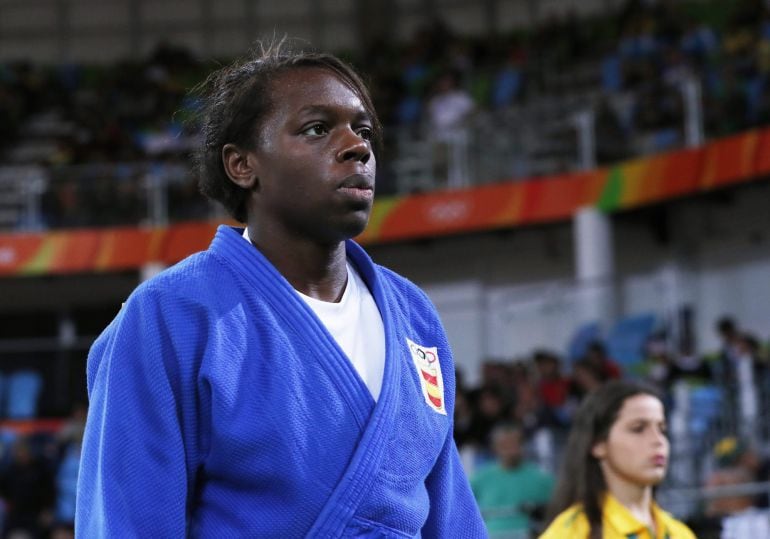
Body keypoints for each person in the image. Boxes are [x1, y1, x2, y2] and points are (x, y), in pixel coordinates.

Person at [76, 40, 486, 537]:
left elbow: (452, 517)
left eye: (363, 130)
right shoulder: (172, 316)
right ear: (242, 165)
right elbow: (128, 522)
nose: (358, 146)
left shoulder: (413, 315)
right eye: (317, 129)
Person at [539, 380, 696, 539]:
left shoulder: (680, 533)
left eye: (662, 429)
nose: (658, 440)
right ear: (598, 444)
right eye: (638, 429)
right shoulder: (571, 532)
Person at [471, 422, 554, 536]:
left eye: (514, 444)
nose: (510, 450)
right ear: (495, 448)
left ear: (522, 445)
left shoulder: (541, 478)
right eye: (504, 445)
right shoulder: (479, 479)